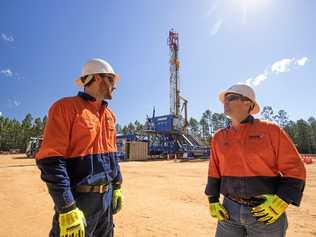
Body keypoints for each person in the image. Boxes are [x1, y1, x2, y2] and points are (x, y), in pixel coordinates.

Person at [36, 58, 123, 237]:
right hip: (79, 200)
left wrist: (117, 185)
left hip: (106, 200)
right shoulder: (64, 108)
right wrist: (67, 206)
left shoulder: (110, 116)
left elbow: (112, 155)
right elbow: (51, 160)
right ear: (98, 78)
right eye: (112, 80)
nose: (115, 85)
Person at [205, 84, 306, 237]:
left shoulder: (270, 130)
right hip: (228, 212)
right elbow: (214, 170)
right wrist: (213, 199)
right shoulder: (219, 137)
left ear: (248, 103)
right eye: (224, 100)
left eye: (230, 98)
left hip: (265, 213)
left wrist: (283, 199)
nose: (225, 102)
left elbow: (295, 169)